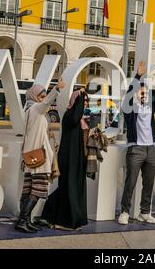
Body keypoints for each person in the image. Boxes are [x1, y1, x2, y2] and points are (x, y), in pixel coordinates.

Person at [15, 79, 65, 233]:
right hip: (39, 158)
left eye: (44, 96)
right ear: (35, 97)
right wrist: (56, 88)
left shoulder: (30, 110)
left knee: (29, 189)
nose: (43, 99)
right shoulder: (36, 108)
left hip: (31, 156)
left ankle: (26, 220)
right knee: (38, 190)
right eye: (41, 96)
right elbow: (46, 103)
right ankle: (22, 221)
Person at [117, 61, 155, 225]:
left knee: (149, 183)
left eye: (146, 94)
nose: (144, 96)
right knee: (131, 182)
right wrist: (137, 76)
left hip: (151, 149)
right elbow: (127, 99)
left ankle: (145, 212)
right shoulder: (131, 110)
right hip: (135, 148)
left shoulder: (150, 108)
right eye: (141, 93)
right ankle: (124, 212)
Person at [41, 89, 90, 230]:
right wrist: (79, 99)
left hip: (77, 159)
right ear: (76, 101)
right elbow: (75, 118)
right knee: (69, 189)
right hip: (69, 158)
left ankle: (57, 217)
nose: (85, 104)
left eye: (86, 101)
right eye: (82, 101)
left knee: (74, 189)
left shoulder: (80, 119)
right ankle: (65, 221)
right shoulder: (70, 115)